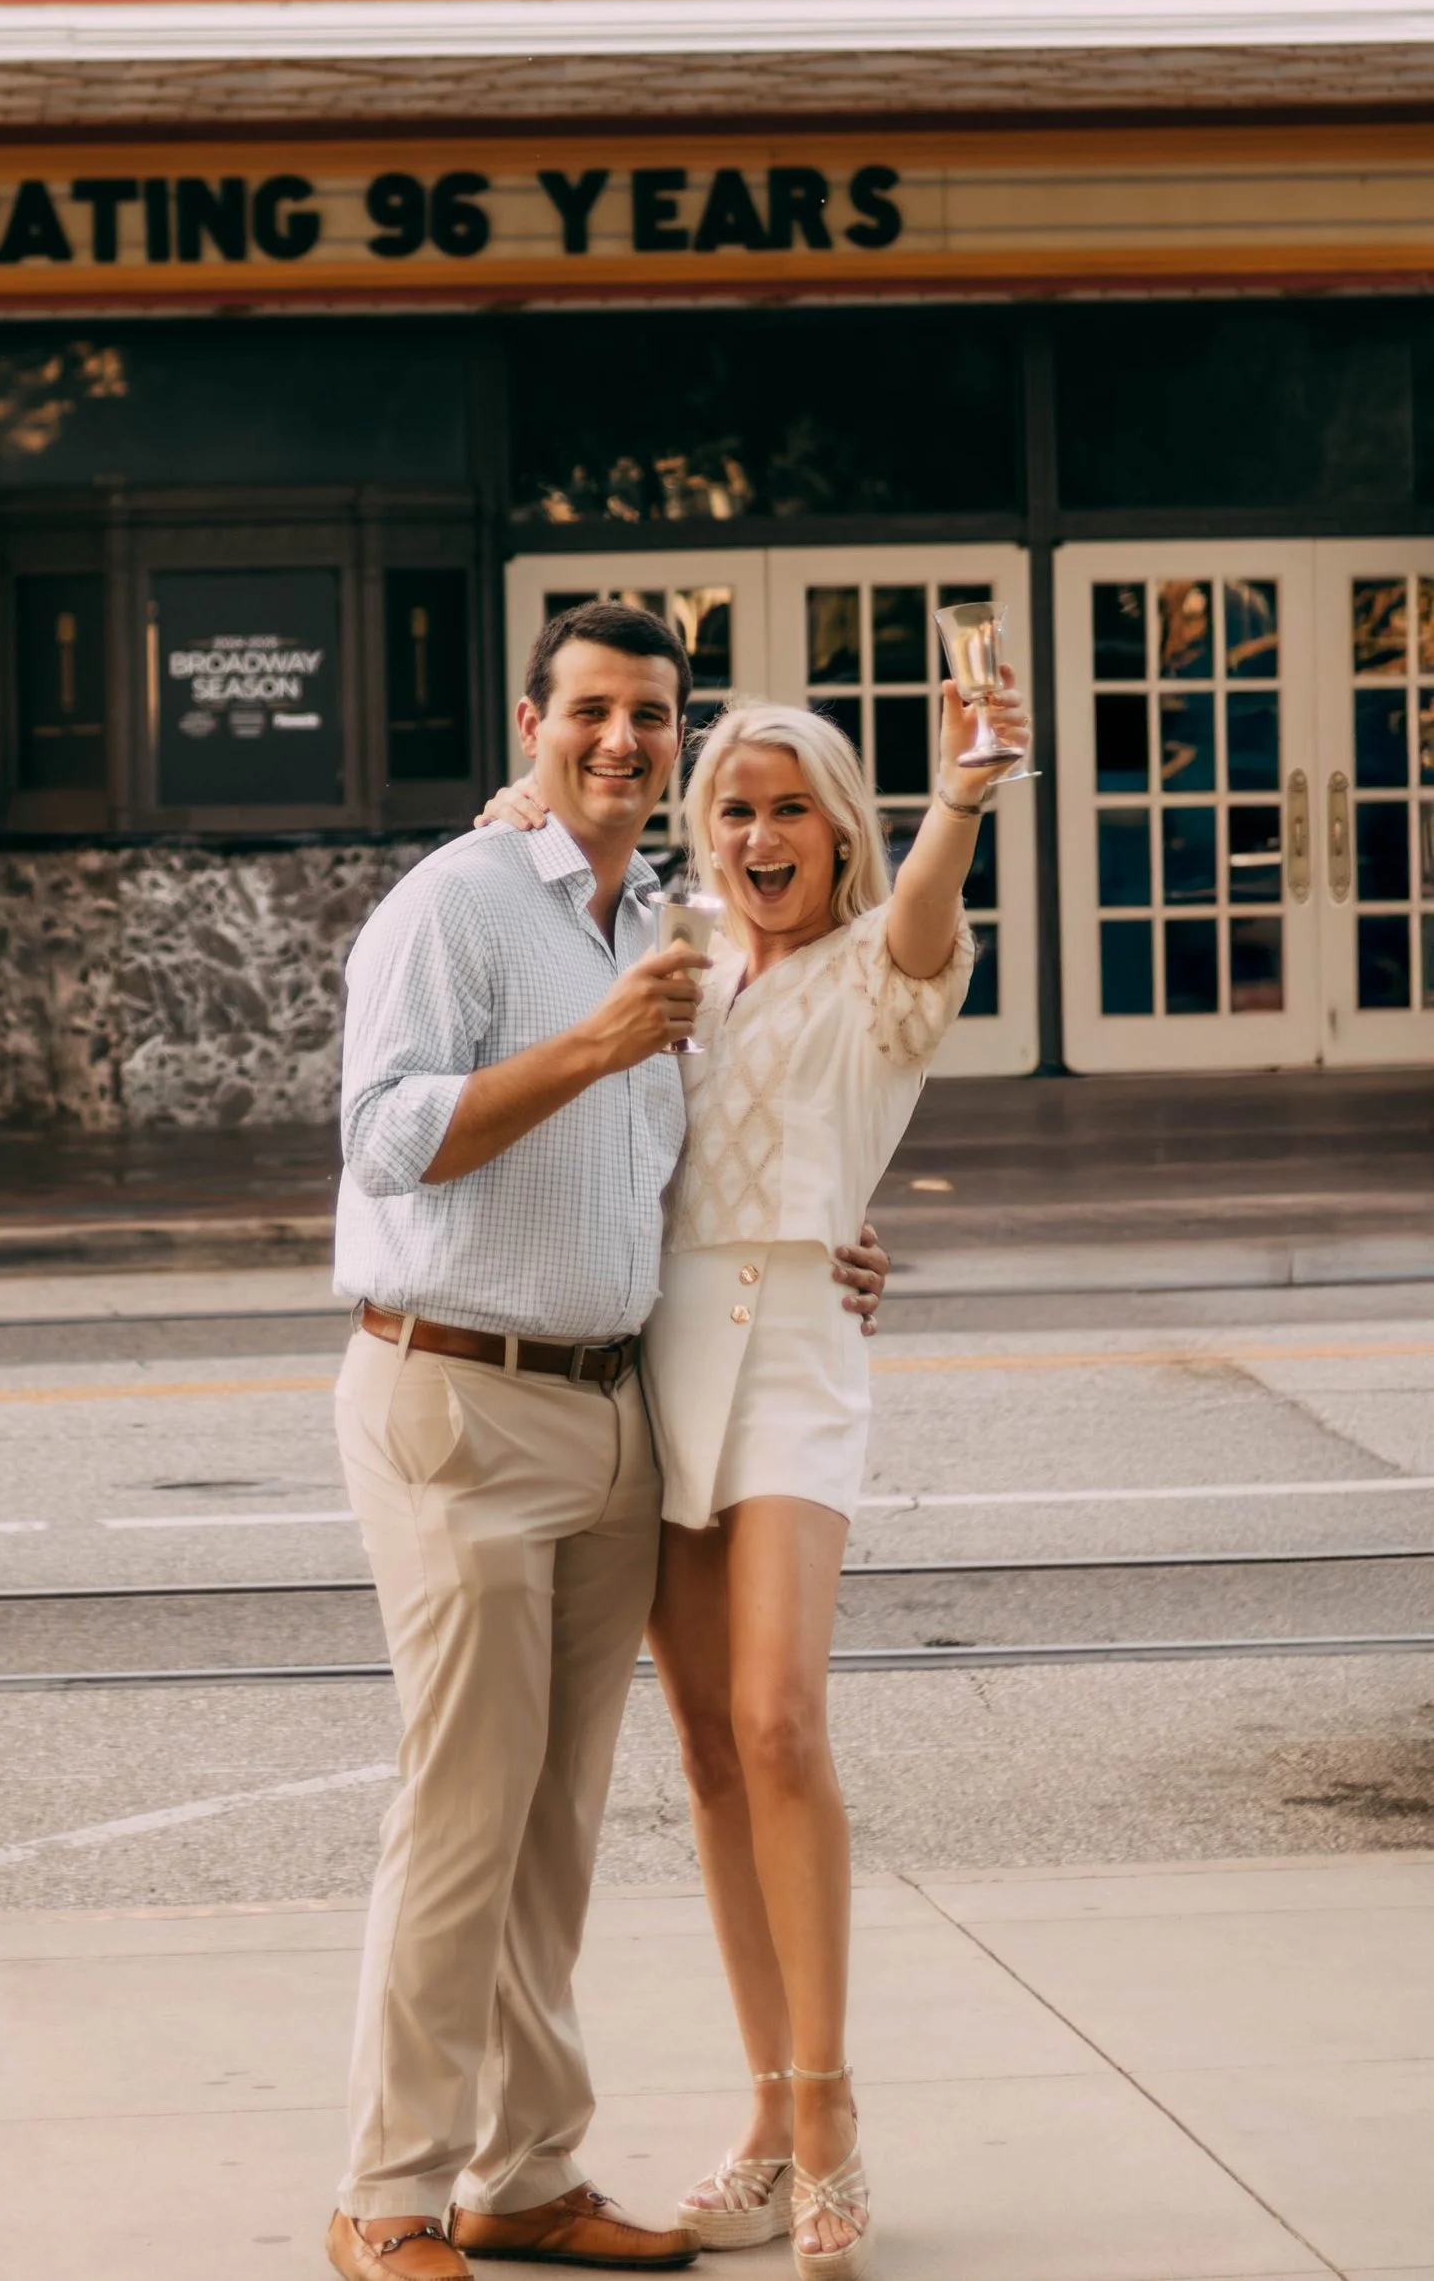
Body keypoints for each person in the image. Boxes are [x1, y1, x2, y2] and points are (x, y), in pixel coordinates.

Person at [326, 603, 892, 2281]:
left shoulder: (657, 914)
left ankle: (525, 2173)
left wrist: (841, 1240)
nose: (623, 743)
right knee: (459, 1815)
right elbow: (382, 1138)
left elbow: (742, 1147)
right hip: (460, 1395)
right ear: (532, 721)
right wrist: (587, 1045)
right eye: (591, 712)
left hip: (612, 1411)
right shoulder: (458, 902)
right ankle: (387, 2192)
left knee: (555, 1821)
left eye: (652, 717)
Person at [477, 669, 1029, 2278]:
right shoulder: (674, 951)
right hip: (662, 1353)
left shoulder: (886, 964)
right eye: (736, 805)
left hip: (795, 1351)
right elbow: (556, 849)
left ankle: (835, 2106)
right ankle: (770, 2121)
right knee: (713, 1751)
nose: (762, 831)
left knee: (785, 1720)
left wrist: (963, 797)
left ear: (840, 829)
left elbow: (927, 911)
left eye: (792, 807)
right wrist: (531, 798)